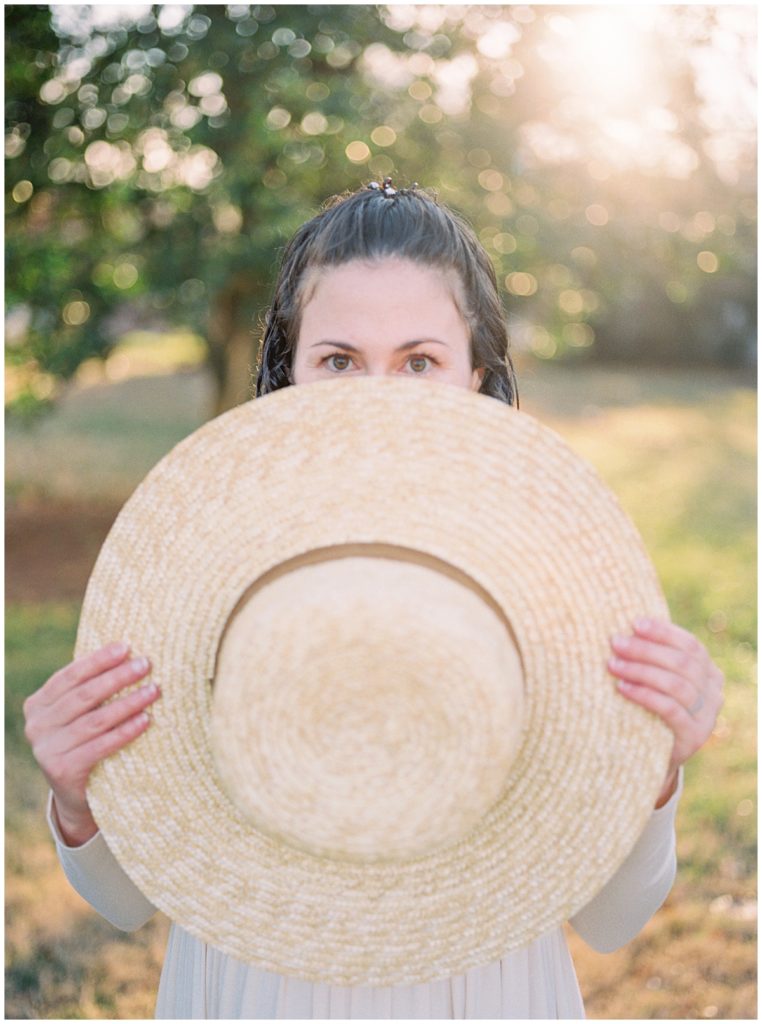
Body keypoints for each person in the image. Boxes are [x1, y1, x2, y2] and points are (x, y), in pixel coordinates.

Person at [24, 180, 724, 1019]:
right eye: (340, 361)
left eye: (419, 362)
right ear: (289, 374)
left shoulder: (553, 591)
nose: (376, 398)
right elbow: (126, 901)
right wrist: (78, 798)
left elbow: (615, 919)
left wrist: (652, 769)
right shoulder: (208, 576)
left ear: (477, 376)